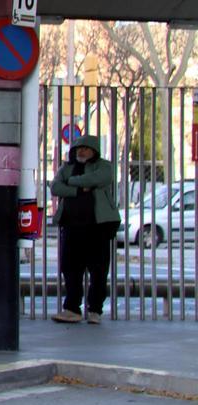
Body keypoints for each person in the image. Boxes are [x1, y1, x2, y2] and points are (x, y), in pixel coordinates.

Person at [49, 135, 120, 324]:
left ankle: (95, 309)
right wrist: (80, 188)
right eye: (79, 148)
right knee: (70, 267)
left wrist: (71, 181)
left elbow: (102, 177)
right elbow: (55, 187)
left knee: (98, 269)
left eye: (86, 149)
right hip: (72, 225)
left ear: (94, 151)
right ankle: (72, 308)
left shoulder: (104, 166)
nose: (81, 152)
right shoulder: (67, 167)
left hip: (98, 226)